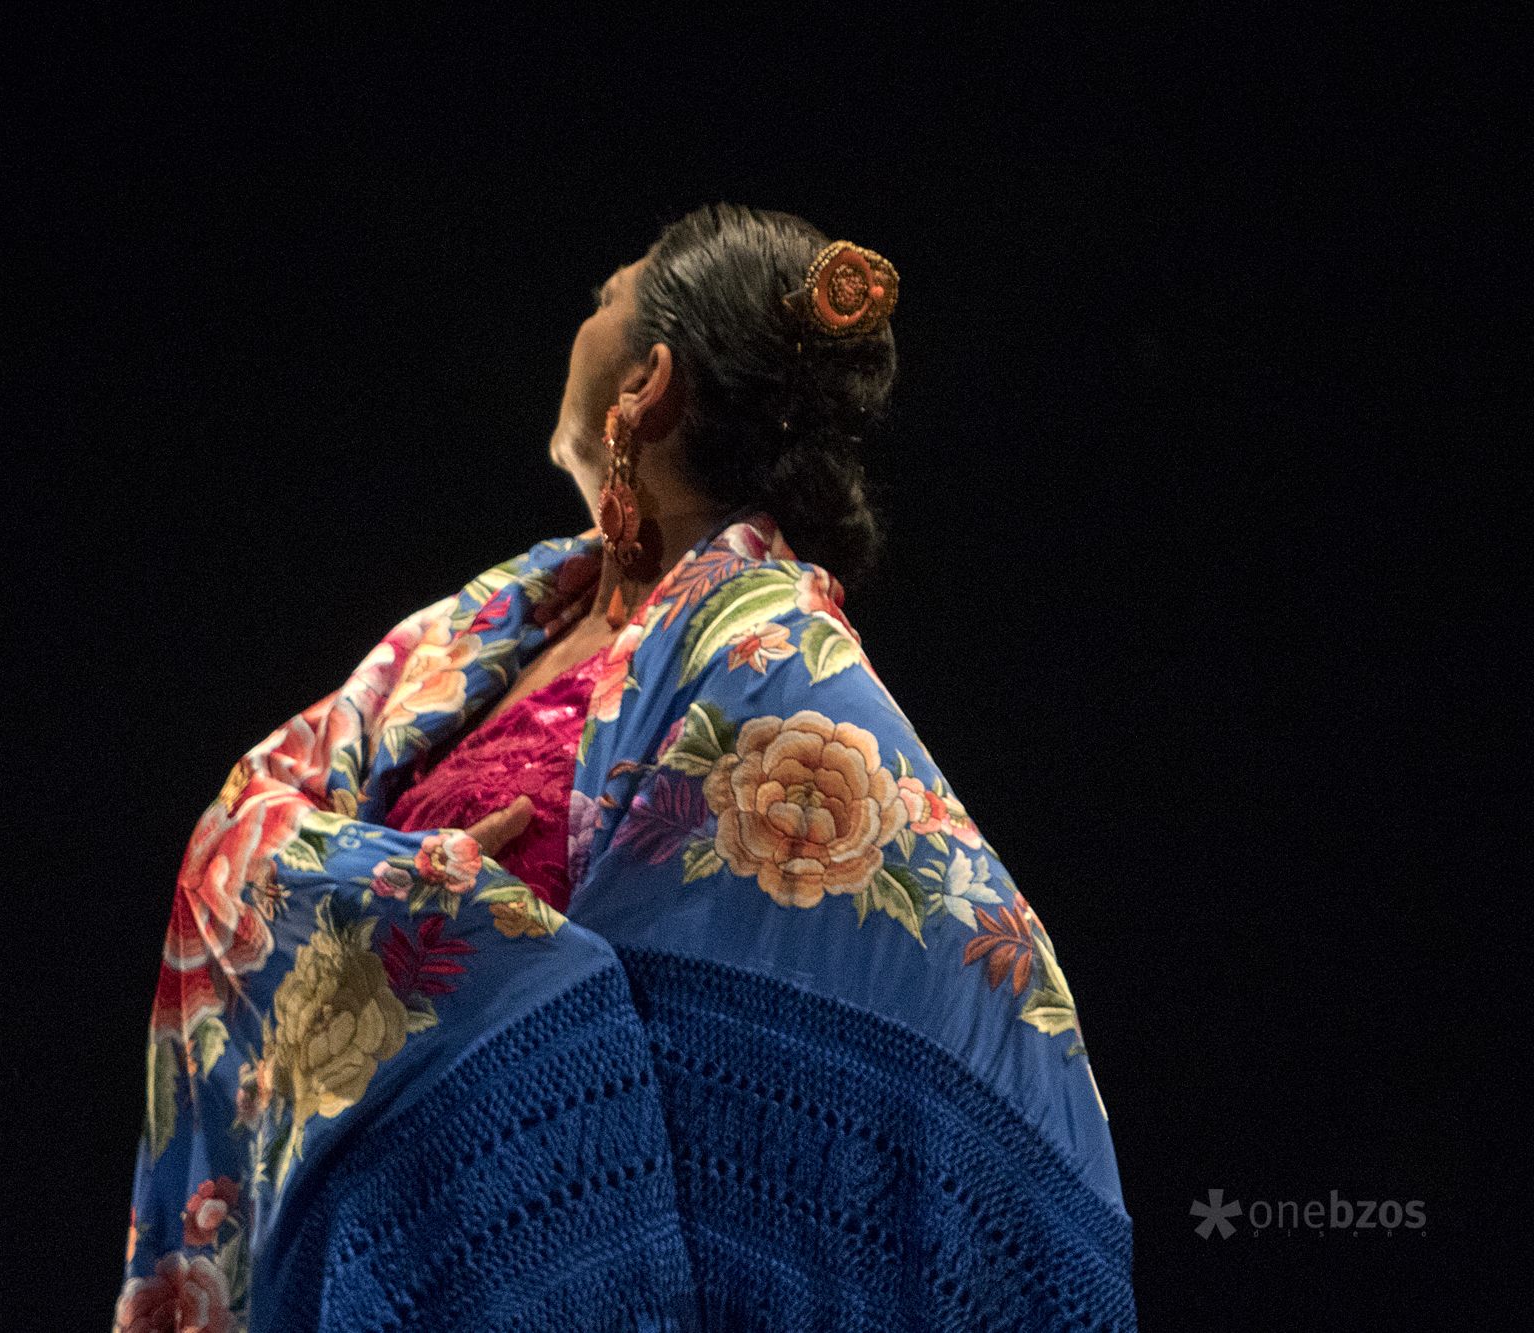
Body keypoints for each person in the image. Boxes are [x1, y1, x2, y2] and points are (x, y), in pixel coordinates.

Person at [112, 203, 1135, 1332]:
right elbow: (249, 824)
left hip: (561, 1256)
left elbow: (980, 982)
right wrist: (399, 893)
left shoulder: (770, 658)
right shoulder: (482, 635)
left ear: (646, 383)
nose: (582, 312)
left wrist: (496, 962)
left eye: (605, 295)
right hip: (392, 1232)